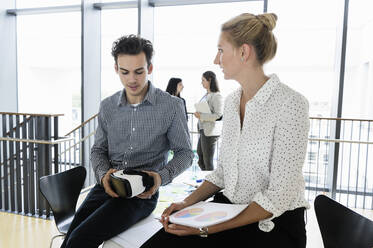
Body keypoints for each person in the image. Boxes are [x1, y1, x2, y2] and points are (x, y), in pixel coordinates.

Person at [141, 12, 310, 248]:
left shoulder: (291, 104)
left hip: (272, 224)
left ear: (243, 52)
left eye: (221, 50)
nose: (215, 59)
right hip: (228, 208)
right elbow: (222, 173)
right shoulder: (231, 102)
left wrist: (205, 229)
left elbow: (278, 196)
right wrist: (186, 203)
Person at [61, 35, 194, 248]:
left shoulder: (171, 106)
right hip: (106, 186)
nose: (131, 79)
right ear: (116, 69)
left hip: (141, 195)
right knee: (70, 239)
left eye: (138, 71)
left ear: (149, 68)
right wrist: (104, 175)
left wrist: (159, 178)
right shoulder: (108, 106)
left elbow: (185, 153)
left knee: (79, 240)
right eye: (125, 72)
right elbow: (98, 150)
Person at [194, 71, 223, 171]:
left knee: (207, 161)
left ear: (209, 80)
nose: (201, 82)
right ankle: (205, 180)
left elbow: (219, 115)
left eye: (203, 80)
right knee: (200, 157)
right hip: (203, 130)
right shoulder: (206, 95)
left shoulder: (217, 96)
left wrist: (202, 116)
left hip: (210, 132)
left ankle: (210, 184)